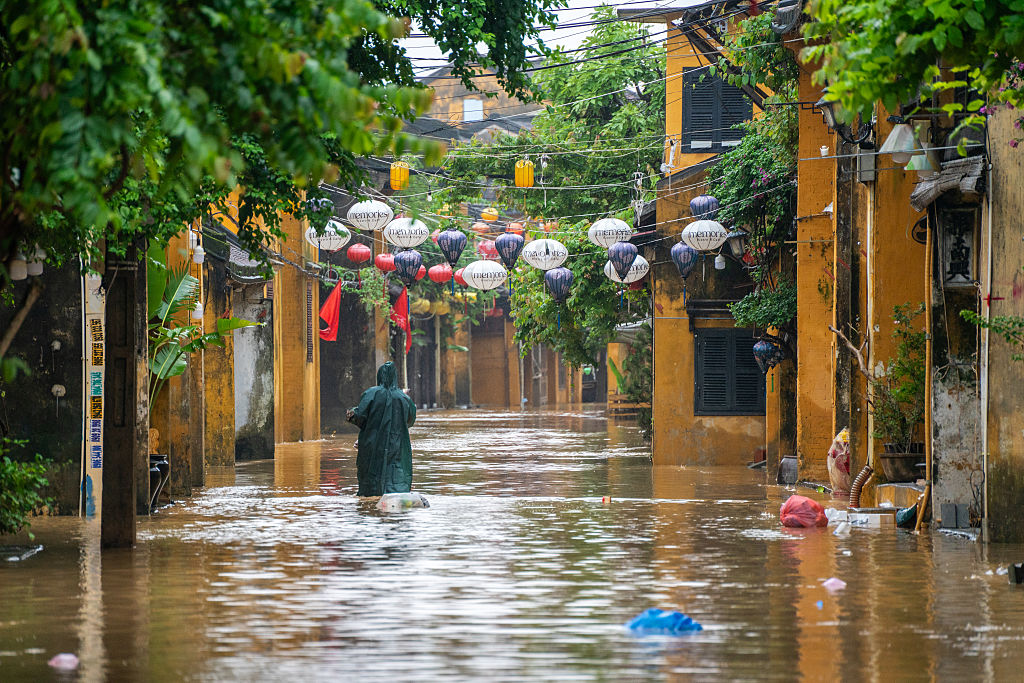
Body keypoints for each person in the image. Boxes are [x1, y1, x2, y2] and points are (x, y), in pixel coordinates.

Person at [346, 361, 417, 497]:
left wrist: (351, 413)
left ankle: (371, 496)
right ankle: (395, 493)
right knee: (395, 468)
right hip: (396, 442)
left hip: (372, 442)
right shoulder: (404, 398)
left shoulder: (371, 394)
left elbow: (359, 417)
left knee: (371, 469)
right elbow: (410, 419)